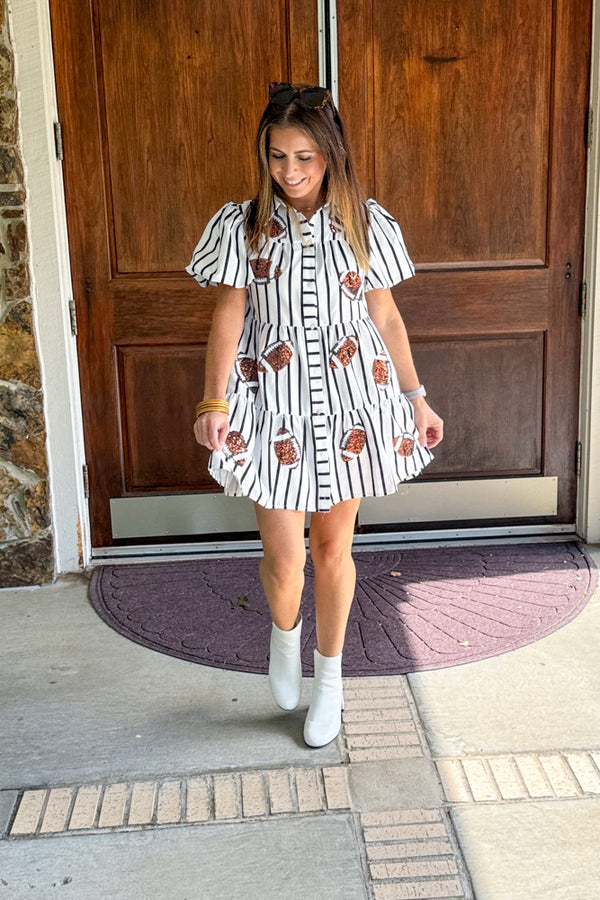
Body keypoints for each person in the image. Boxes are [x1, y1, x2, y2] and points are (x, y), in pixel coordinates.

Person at [186, 82, 443, 748]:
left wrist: (416, 398)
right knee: (283, 559)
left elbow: (384, 314)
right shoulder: (240, 226)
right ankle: (284, 635)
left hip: (353, 400)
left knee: (333, 550)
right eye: (278, 157)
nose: (291, 172)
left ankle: (329, 680)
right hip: (271, 404)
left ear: (331, 155)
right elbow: (228, 313)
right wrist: (214, 401)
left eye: (305, 157)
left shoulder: (367, 221)